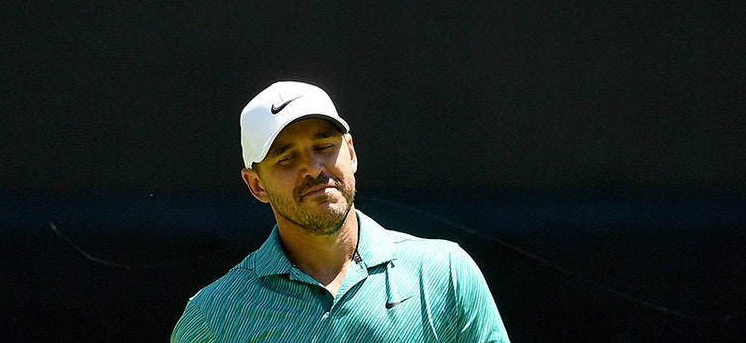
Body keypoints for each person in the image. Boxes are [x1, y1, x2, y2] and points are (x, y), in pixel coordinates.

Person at [171, 80, 511, 342]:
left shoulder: (444, 273)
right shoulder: (211, 318)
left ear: (350, 151)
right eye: (287, 157)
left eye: (324, 146)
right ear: (256, 185)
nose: (313, 167)